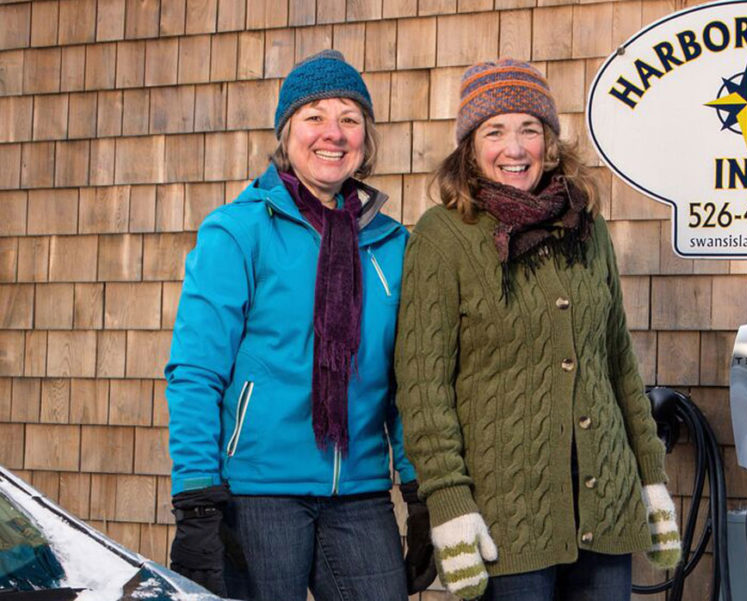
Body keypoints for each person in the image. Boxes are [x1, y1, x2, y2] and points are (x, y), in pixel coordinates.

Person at [394, 59, 682, 601]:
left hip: (605, 505)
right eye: (495, 131)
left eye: (529, 129)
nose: (515, 147)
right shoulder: (444, 238)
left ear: (550, 142)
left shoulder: (586, 229)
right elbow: (423, 388)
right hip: (508, 515)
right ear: (470, 148)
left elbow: (618, 361)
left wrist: (651, 477)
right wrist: (450, 503)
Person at [164, 50, 435, 601]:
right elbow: (195, 371)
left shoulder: (393, 245)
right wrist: (196, 500)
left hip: (359, 492)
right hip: (256, 494)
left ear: (366, 138)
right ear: (287, 133)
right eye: (314, 115)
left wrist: (419, 486)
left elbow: (407, 384)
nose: (332, 133)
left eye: (349, 118)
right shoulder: (237, 231)